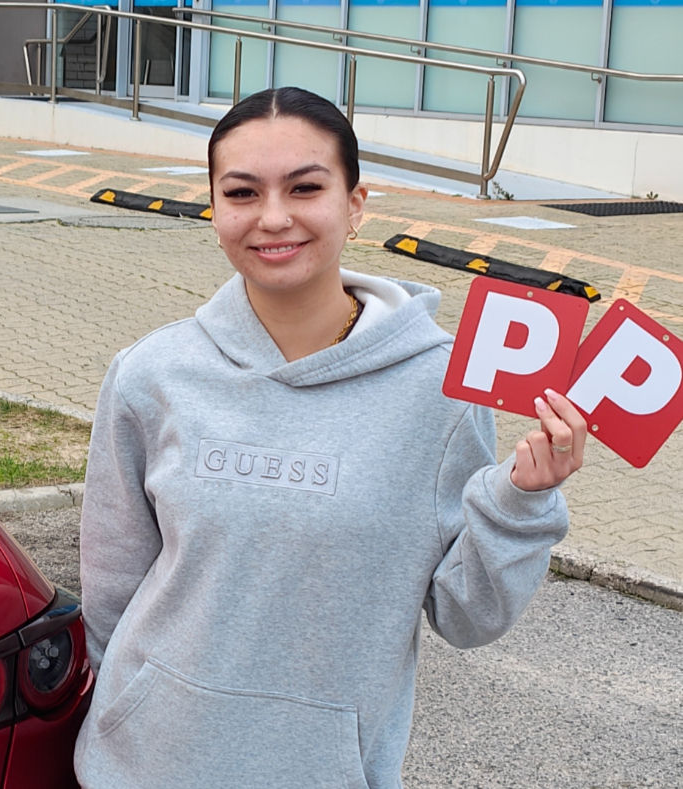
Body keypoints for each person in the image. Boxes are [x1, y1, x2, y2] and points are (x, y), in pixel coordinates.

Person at [73, 86, 586, 789]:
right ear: (215, 208)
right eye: (242, 192)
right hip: (143, 766)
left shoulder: (440, 388)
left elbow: (465, 615)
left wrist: (522, 500)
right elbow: (112, 590)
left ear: (355, 203)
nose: (272, 217)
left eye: (305, 187)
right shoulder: (151, 373)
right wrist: (133, 709)